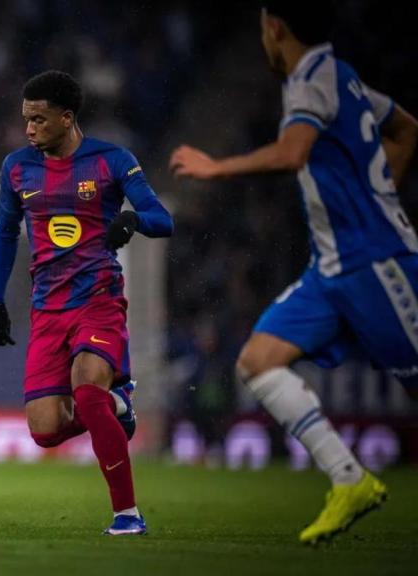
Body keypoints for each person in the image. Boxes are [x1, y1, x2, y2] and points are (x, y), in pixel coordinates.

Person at [169, 0, 418, 544]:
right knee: (258, 361)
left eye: (262, 27)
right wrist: (376, 195)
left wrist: (217, 167)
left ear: (274, 27)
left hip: (376, 263)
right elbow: (406, 129)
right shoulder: (341, 77)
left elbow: (292, 152)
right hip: (331, 271)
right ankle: (350, 480)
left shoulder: (309, 81)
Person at [0, 71, 174, 535]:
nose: (29, 129)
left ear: (67, 118)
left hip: (99, 299)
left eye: (38, 120)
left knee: (87, 392)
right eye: (26, 119)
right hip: (47, 308)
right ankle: (118, 406)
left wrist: (132, 221)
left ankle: (127, 515)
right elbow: (5, 234)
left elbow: (161, 218)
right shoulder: (16, 168)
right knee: (45, 431)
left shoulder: (112, 161)